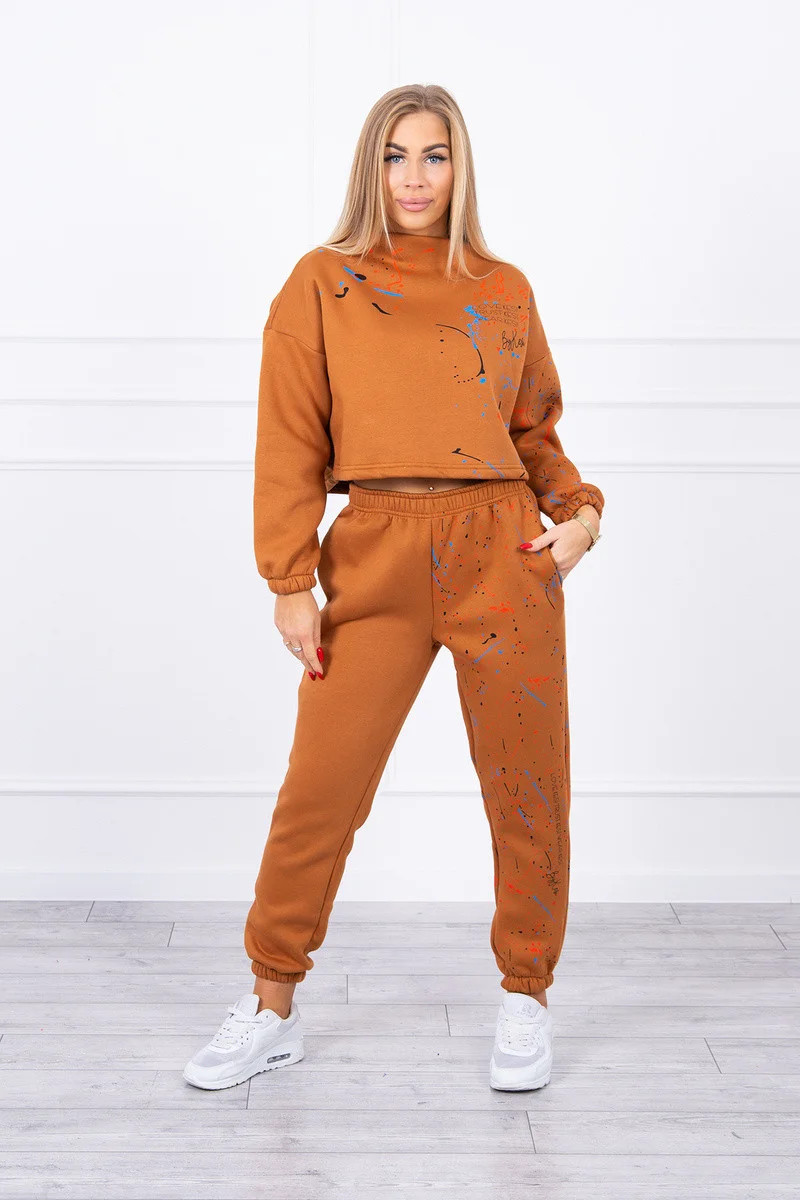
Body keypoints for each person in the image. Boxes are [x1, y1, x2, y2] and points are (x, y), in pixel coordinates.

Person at [183, 83, 604, 1094]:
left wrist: (581, 515)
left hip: (503, 550)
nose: (414, 177)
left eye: (434, 155)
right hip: (372, 549)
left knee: (527, 788)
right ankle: (271, 1004)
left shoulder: (503, 289)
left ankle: (525, 996)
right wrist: (289, 579)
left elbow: (533, 432)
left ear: (460, 168)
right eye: (395, 156)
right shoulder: (321, 283)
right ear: (370, 167)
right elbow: (288, 435)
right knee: (321, 791)